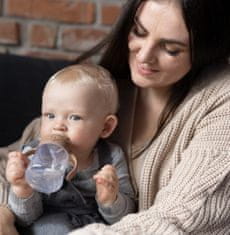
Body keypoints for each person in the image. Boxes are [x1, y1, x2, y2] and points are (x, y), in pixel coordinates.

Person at [1, 0, 230, 234]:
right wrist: (6, 210)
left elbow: (174, 220)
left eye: (171, 49)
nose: (144, 56)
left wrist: (110, 199)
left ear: (205, 49)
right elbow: (10, 158)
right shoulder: (102, 90)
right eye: (138, 32)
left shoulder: (221, 104)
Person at [4, 64, 136, 235]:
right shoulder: (34, 154)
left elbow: (127, 217)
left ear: (105, 127)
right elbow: (25, 218)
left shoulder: (111, 157)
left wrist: (111, 199)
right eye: (50, 115)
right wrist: (22, 188)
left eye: (74, 117)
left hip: (95, 226)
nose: (58, 126)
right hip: (47, 224)